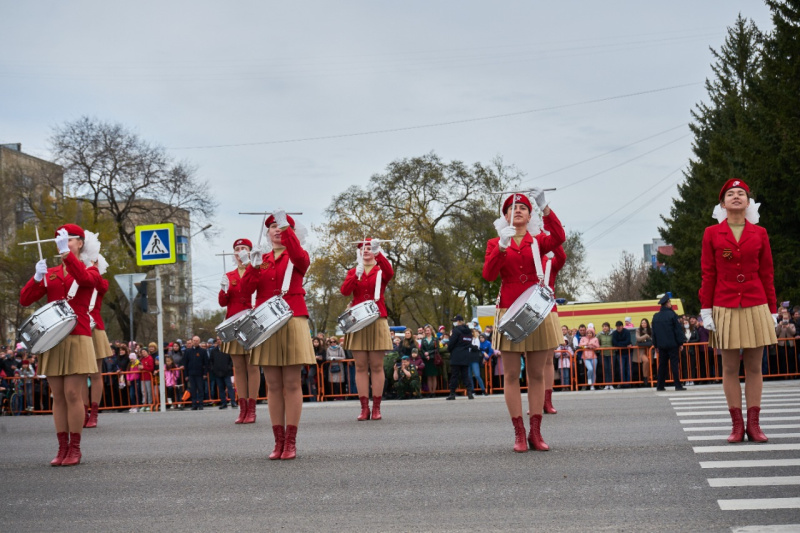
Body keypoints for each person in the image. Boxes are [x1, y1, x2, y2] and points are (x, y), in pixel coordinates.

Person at [481, 190, 565, 452]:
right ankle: (519, 433)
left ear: (530, 215)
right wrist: (502, 249)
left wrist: (546, 208)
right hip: (509, 311)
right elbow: (489, 274)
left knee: (537, 374)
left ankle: (535, 432)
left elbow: (560, 238)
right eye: (511, 208)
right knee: (512, 375)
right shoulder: (495, 243)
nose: (517, 210)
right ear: (505, 216)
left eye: (523, 207)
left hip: (537, 310)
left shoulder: (539, 240)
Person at [700, 179, 777, 443]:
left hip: (756, 303)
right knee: (730, 367)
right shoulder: (711, 233)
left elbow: (767, 273)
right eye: (730, 194)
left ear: (748, 202)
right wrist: (706, 310)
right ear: (722, 204)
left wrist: (773, 310)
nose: (736, 196)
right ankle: (737, 425)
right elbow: (708, 274)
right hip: (725, 304)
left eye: (741, 193)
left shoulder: (760, 233)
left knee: (755, 367)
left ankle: (754, 425)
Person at [19, 224, 100, 466]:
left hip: (78, 335)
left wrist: (67, 256)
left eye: (67, 239)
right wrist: (36, 278)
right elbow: (25, 300)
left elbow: (85, 280)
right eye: (58, 240)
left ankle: (75, 448)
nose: (61, 243)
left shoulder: (90, 268)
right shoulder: (51, 272)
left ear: (80, 243)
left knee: (73, 393)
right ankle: (62, 447)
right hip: (53, 339)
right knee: (58, 397)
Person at [241, 210, 316, 460]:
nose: (276, 229)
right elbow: (245, 291)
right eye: (272, 226)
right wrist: (251, 268)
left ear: (290, 232)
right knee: (272, 385)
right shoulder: (261, 259)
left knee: (292, 383)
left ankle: (291, 441)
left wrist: (288, 230)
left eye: (281, 226)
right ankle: (278, 441)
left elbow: (300, 259)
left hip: (292, 318)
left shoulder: (297, 255)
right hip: (266, 322)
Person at [340, 237, 394, 421]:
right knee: (361, 366)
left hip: (377, 317)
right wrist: (356, 275)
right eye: (363, 247)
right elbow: (345, 291)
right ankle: (364, 407)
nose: (366, 250)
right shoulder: (354, 271)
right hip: (358, 320)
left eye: (370, 247)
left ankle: (377, 407)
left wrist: (380, 254)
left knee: (377, 366)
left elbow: (390, 272)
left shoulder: (380, 270)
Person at [219, 237, 261, 424]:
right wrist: (223, 289)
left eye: (244, 248)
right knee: (238, 368)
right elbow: (222, 303)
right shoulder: (229, 275)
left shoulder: (256, 270)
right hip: (233, 323)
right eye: (237, 248)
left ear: (250, 252)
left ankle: (252, 409)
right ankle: (242, 408)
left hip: (251, 321)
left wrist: (250, 266)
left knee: (252, 367)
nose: (240, 251)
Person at [80, 232, 111, 428]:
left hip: (95, 327)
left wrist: (92, 265)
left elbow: (98, 283)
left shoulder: (101, 281)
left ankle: (94, 412)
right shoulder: (77, 279)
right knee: (80, 373)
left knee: (95, 373)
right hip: (79, 326)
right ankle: (82, 411)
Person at [542, 245, 566, 414]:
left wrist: (553, 241)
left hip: (549, 310)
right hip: (529, 312)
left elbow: (562, 258)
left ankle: (547, 400)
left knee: (549, 359)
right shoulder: (526, 256)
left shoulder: (549, 261)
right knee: (532, 362)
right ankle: (535, 400)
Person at [652, 293, 685, 391]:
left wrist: (656, 345)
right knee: (674, 365)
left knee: (662, 366)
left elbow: (654, 332)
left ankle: (660, 385)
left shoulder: (656, 316)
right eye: (669, 302)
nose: (670, 303)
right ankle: (677, 385)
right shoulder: (672, 315)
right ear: (667, 303)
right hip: (672, 344)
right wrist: (680, 343)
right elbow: (677, 330)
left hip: (661, 345)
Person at [446, 315, 476, 400]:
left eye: (455, 321)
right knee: (465, 375)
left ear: (459, 321)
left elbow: (451, 343)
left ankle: (452, 393)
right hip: (465, 354)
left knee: (454, 375)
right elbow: (469, 342)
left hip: (456, 354)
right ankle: (469, 392)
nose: (454, 322)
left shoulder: (456, 331)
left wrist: (449, 349)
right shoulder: (468, 331)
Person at [208, 337, 236, 409]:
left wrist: (229, 367)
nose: (219, 341)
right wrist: (213, 369)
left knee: (229, 387)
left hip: (226, 372)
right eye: (217, 339)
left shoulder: (227, 349)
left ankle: (233, 402)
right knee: (221, 388)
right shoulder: (213, 351)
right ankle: (223, 403)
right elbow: (211, 361)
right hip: (217, 372)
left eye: (220, 339)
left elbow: (231, 360)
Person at [183, 336, 207, 410]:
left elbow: (206, 363)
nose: (195, 342)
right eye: (194, 340)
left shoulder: (203, 351)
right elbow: (185, 363)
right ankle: (194, 404)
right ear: (192, 341)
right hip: (191, 373)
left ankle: (200, 404)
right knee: (192, 389)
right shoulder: (188, 351)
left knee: (200, 389)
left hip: (200, 374)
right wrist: (186, 374)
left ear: (199, 341)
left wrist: (205, 373)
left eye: (197, 340)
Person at [420, 325, 441, 398]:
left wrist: (429, 353)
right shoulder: (423, 340)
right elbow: (422, 349)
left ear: (431, 331)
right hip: (426, 359)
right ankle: (430, 392)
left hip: (433, 359)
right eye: (426, 331)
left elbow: (437, 349)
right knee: (428, 376)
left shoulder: (435, 339)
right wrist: (425, 355)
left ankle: (433, 391)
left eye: (428, 330)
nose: (427, 332)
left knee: (434, 376)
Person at [611, 321, 632, 387]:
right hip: (620, 353)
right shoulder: (614, 333)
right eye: (617, 326)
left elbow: (628, 341)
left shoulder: (627, 332)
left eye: (619, 326)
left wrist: (619, 344)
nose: (618, 328)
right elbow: (614, 342)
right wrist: (625, 345)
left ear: (622, 326)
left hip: (628, 352)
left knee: (629, 368)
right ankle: (623, 383)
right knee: (621, 368)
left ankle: (629, 383)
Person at [634, 319, 654, 386]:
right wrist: (646, 336)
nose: (643, 324)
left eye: (645, 323)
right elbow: (638, 338)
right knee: (646, 361)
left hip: (649, 349)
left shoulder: (650, 330)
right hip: (641, 350)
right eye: (642, 323)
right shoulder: (638, 330)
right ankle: (645, 378)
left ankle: (648, 379)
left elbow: (652, 339)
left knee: (649, 364)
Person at [139, 346, 155, 411]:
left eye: (144, 352)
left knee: (149, 391)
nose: (143, 353)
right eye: (142, 352)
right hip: (142, 377)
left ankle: (149, 403)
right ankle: (144, 403)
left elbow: (151, 368)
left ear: (147, 352)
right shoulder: (141, 359)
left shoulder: (150, 358)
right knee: (143, 391)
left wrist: (143, 367)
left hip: (148, 377)